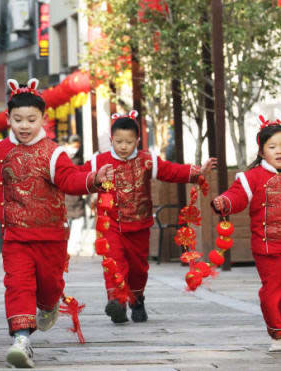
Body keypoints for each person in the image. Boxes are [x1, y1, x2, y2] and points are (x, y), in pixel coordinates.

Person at [0, 79, 112, 369]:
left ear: (43, 120)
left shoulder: (54, 153)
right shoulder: (1, 149)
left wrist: (93, 179)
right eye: (18, 119)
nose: (24, 126)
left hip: (51, 238)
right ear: (9, 119)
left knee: (49, 285)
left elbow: (70, 180)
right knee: (18, 285)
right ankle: (21, 340)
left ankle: (48, 305)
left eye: (31, 120)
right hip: (15, 237)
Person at [84, 111, 215, 324]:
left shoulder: (147, 160)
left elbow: (171, 171)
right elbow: (75, 177)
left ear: (137, 140)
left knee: (138, 268)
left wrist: (198, 171)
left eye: (128, 142)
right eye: (118, 142)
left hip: (139, 224)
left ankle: (137, 300)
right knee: (114, 262)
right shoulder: (99, 161)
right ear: (111, 140)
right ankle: (117, 301)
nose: (124, 146)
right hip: (110, 225)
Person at [211, 115, 281, 352]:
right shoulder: (252, 178)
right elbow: (237, 196)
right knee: (272, 291)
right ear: (262, 151)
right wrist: (224, 202)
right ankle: (277, 334)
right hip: (268, 248)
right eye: (273, 147)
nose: (279, 152)